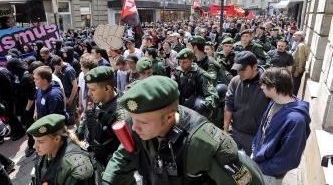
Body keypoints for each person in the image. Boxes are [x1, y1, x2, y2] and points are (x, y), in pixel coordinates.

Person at [102, 76, 264, 185]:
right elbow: (122, 155)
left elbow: (249, 182)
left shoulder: (203, 145)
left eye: (143, 122)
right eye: (133, 119)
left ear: (169, 117)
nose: (135, 128)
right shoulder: (137, 123)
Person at [252, 68, 311, 184]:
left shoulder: (296, 121)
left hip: (269, 175)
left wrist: (262, 168)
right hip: (258, 161)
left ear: (273, 88)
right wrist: (255, 149)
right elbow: (263, 129)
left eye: (264, 84)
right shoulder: (275, 100)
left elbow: (288, 159)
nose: (261, 87)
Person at [77, 66, 130, 166]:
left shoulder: (120, 114)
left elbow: (126, 150)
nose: (89, 93)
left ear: (107, 88)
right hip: (96, 159)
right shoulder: (100, 101)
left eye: (92, 89)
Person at [28, 114, 95, 185]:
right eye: (34, 140)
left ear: (57, 139)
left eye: (40, 142)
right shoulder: (44, 152)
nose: (34, 146)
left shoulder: (76, 167)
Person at [224, 51, 270, 155]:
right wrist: (225, 130)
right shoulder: (235, 81)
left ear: (254, 67)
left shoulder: (267, 84)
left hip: (255, 136)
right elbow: (229, 105)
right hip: (235, 131)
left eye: (243, 70)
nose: (239, 73)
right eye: (237, 70)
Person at [172, 48, 219, 119]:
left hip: (195, 108)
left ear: (191, 61)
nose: (181, 64)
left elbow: (212, 95)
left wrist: (204, 105)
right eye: (180, 62)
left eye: (184, 62)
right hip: (180, 106)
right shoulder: (177, 72)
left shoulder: (201, 75)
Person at [51, 55, 79, 125]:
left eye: (57, 66)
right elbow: (53, 75)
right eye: (54, 67)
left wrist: (70, 100)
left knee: (72, 115)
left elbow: (75, 86)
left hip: (70, 95)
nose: (56, 68)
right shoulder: (60, 68)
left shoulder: (69, 70)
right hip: (65, 94)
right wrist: (56, 70)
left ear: (61, 62)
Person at [291, 31, 309, 96]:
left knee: (294, 87)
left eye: (295, 35)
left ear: (300, 36)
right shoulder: (301, 44)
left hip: (297, 69)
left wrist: (298, 70)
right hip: (295, 68)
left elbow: (302, 59)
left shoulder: (301, 45)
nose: (293, 36)